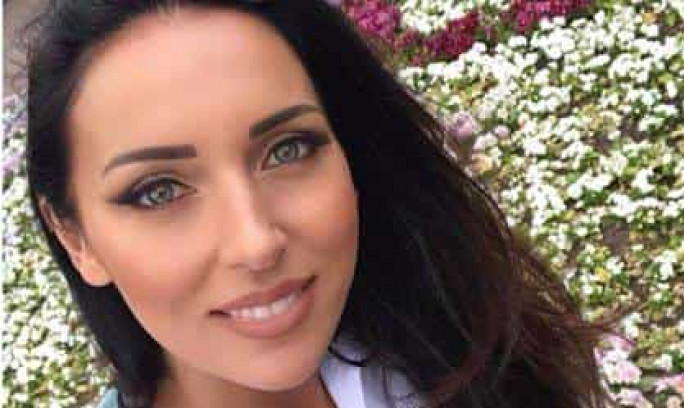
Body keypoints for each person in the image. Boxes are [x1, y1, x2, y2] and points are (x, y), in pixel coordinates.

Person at [24, 1, 620, 407]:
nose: (256, 242)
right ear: (76, 238)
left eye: (288, 149)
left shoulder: (471, 356)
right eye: (159, 191)